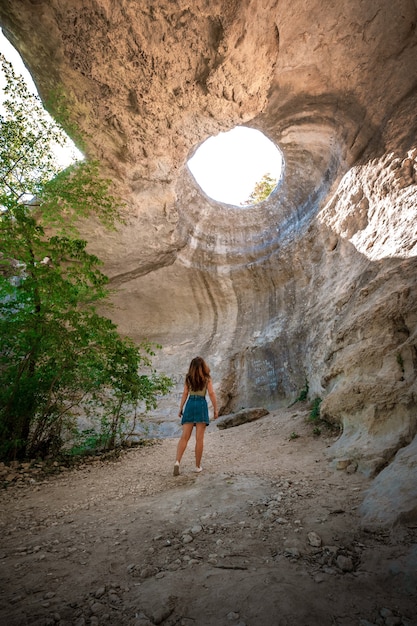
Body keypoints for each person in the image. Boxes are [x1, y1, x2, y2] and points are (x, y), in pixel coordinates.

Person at [173, 356, 218, 476]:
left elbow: (185, 393)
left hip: (190, 404)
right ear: (203, 366)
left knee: (184, 437)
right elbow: (212, 393)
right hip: (201, 405)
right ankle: (197, 466)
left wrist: (181, 408)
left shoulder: (188, 378)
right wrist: (215, 409)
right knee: (199, 439)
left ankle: (177, 462)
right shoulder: (207, 378)